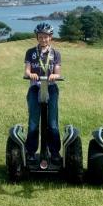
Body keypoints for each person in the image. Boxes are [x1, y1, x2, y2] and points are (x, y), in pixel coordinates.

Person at [24, 22, 62, 164]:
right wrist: (30, 74)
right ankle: (31, 152)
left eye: (46, 37)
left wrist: (55, 76)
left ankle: (54, 152)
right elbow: (27, 70)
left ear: (50, 37)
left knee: (52, 123)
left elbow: (58, 72)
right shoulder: (30, 52)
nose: (43, 39)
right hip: (35, 88)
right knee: (33, 122)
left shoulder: (56, 54)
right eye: (40, 37)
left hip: (51, 88)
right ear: (37, 37)